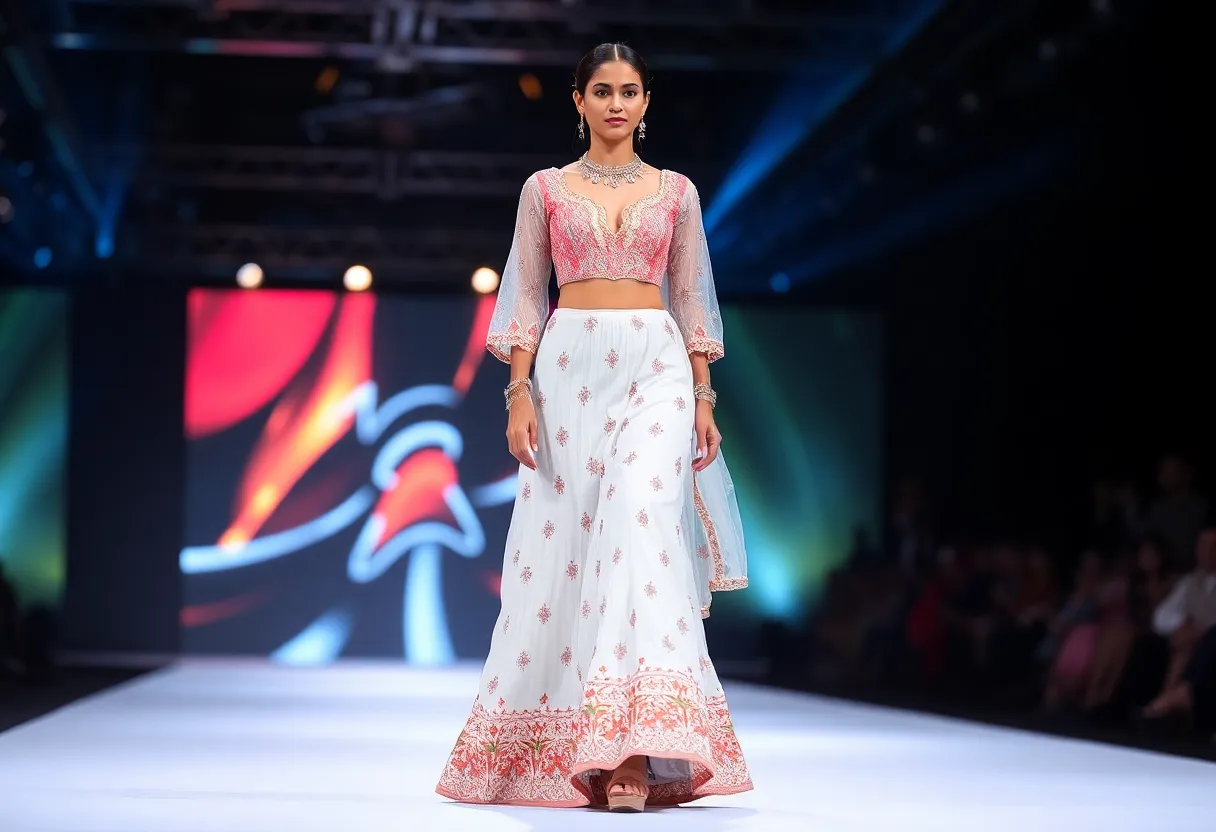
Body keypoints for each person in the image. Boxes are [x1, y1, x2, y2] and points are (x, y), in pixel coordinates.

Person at [436, 43, 752, 812]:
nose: (617, 103)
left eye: (631, 91)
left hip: (657, 367)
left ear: (648, 103)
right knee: (566, 551)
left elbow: (691, 296)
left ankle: (634, 750)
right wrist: (516, 393)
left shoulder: (677, 193)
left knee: (639, 529)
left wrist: (705, 397)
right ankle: (575, 741)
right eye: (602, 90)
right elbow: (521, 294)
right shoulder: (544, 189)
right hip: (567, 372)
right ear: (576, 101)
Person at [1142, 527, 1216, 720]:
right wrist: (1181, 625)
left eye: (1212, 546)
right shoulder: (1190, 581)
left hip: (1210, 644)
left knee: (1191, 648)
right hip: (1189, 641)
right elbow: (1161, 615)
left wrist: (1199, 631)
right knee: (1180, 647)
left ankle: (1166, 704)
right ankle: (1168, 705)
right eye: (1202, 545)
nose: (1206, 551)